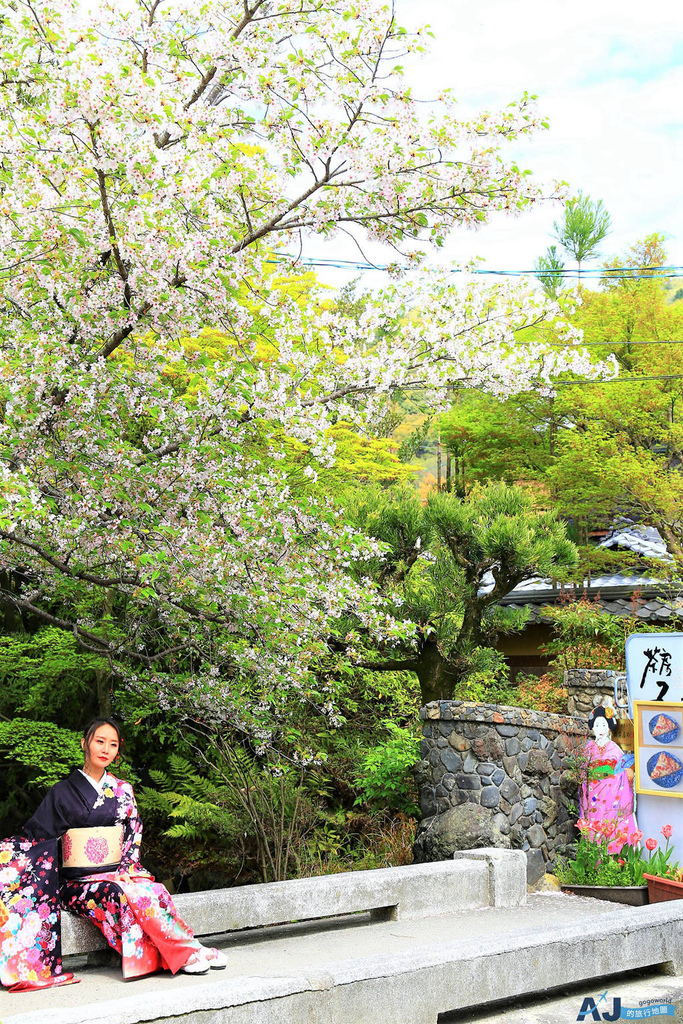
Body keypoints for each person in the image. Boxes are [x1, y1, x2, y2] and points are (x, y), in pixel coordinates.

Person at [0, 718, 226, 991]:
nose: (106, 749)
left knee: (152, 890)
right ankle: (181, 955)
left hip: (118, 870)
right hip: (76, 883)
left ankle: (188, 949)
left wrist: (128, 868)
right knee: (117, 895)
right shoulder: (61, 792)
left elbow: (134, 832)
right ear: (85, 743)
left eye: (113, 744)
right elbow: (35, 838)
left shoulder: (123, 790)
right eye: (100, 741)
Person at [579, 705, 638, 855]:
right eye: (597, 725)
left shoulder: (614, 748)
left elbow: (621, 773)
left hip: (612, 792)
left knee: (611, 821)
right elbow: (582, 772)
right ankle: (593, 860)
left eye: (603, 725)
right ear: (592, 727)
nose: (600, 728)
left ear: (609, 727)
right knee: (593, 821)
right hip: (592, 791)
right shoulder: (588, 748)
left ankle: (614, 856)